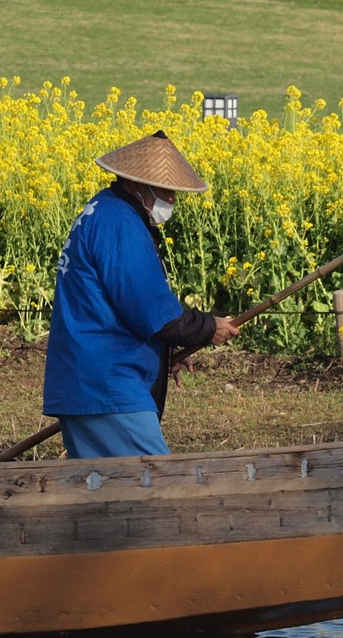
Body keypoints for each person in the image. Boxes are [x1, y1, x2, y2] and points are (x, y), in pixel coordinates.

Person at [43, 130, 240, 458]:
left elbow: (117, 305)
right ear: (137, 184)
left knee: (105, 502)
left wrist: (162, 353)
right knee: (159, 491)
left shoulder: (101, 211)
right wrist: (208, 328)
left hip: (85, 384)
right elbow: (153, 312)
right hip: (110, 388)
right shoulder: (121, 224)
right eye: (166, 191)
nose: (173, 200)